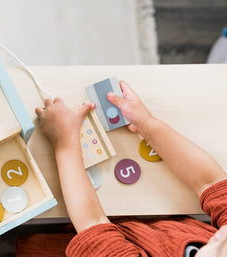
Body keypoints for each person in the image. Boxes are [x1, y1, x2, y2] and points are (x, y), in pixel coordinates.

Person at [16, 80, 227, 256]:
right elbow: (212, 182)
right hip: (147, 225)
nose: (222, 236)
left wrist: (63, 140)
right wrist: (146, 122)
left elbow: (92, 222)